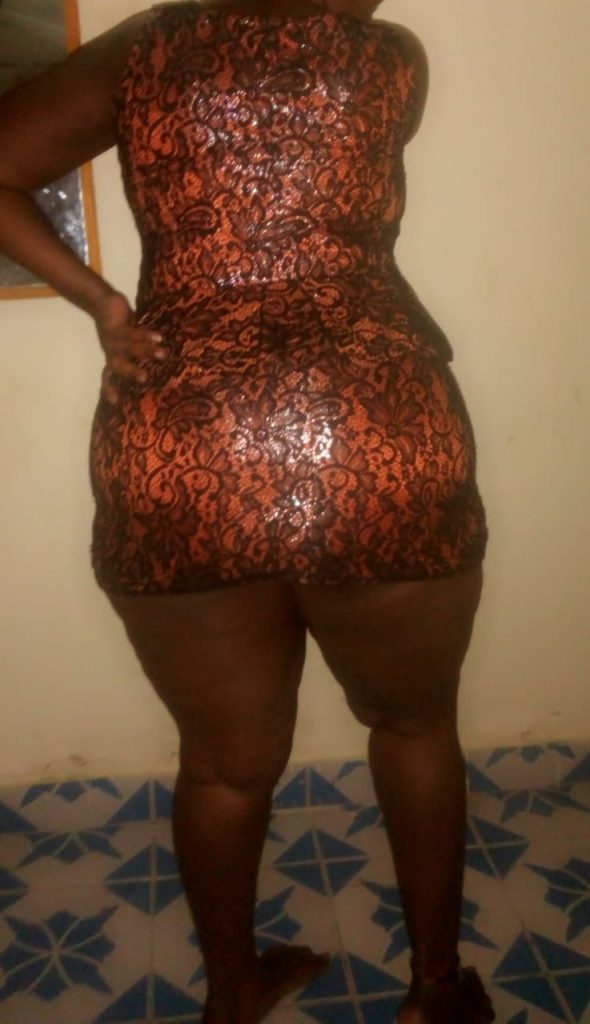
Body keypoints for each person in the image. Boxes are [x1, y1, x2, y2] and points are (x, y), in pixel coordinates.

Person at [0, 0, 495, 1020]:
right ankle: (436, 991)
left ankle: (233, 989)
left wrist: (102, 304)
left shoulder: (149, 46)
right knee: (414, 725)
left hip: (185, 436)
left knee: (224, 768)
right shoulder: (390, 58)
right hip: (376, 429)